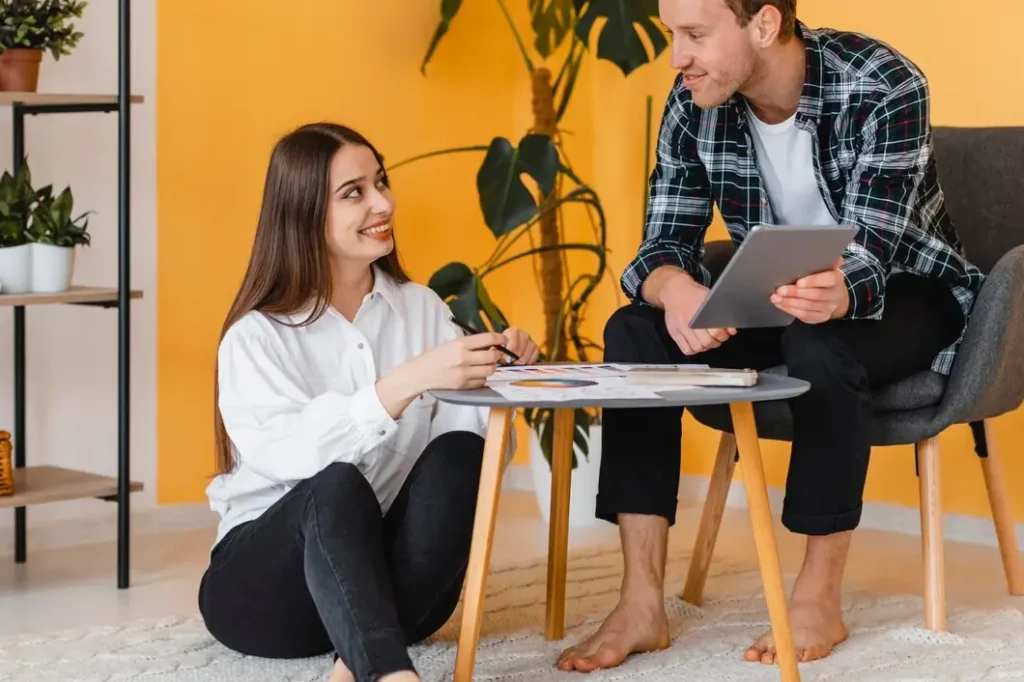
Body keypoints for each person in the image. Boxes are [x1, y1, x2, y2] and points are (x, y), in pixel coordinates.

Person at [556, 0, 985, 673]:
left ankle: (818, 595)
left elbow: (877, 246)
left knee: (819, 345)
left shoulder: (885, 83)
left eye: (695, 35)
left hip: (902, 292)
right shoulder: (693, 97)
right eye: (673, 36)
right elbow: (661, 244)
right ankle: (641, 602)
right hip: (776, 296)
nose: (677, 58)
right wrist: (677, 292)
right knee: (632, 331)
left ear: (762, 24)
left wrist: (839, 289)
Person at [197, 122, 540, 682]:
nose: (383, 202)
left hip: (395, 590)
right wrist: (404, 383)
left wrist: (496, 379)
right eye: (353, 192)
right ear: (304, 212)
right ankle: (386, 672)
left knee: (460, 453)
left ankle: (354, 664)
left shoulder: (421, 307)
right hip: (268, 595)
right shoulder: (256, 337)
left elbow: (471, 466)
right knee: (334, 485)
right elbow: (292, 458)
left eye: (380, 182)